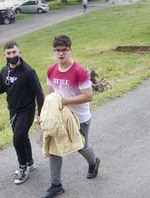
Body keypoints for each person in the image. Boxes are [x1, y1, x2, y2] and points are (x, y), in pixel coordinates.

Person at [42, 35, 100, 198]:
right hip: (58, 118)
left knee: (81, 147)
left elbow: (88, 96)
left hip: (79, 118)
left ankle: (94, 162)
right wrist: (43, 113)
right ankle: (56, 185)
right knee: (55, 150)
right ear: (53, 52)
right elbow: (50, 93)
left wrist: (64, 101)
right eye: (57, 50)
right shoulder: (51, 69)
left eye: (64, 50)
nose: (61, 53)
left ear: (70, 50)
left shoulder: (79, 72)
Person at [0, 40, 44, 185]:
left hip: (27, 110)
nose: (12, 55)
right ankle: (30, 162)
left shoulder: (29, 72)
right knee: (22, 137)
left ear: (19, 52)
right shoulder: (4, 70)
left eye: (14, 52)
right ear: (4, 54)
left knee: (17, 138)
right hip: (13, 110)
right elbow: (3, 87)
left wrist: (40, 113)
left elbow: (39, 93)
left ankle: (22, 167)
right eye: (9, 53)